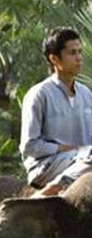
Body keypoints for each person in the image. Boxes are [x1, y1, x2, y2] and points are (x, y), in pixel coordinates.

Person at [20, 26, 92, 195]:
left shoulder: (86, 94)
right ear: (54, 59)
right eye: (72, 53)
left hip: (83, 160)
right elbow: (29, 146)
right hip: (46, 166)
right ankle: (51, 190)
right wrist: (62, 148)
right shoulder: (39, 94)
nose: (79, 58)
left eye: (80, 52)